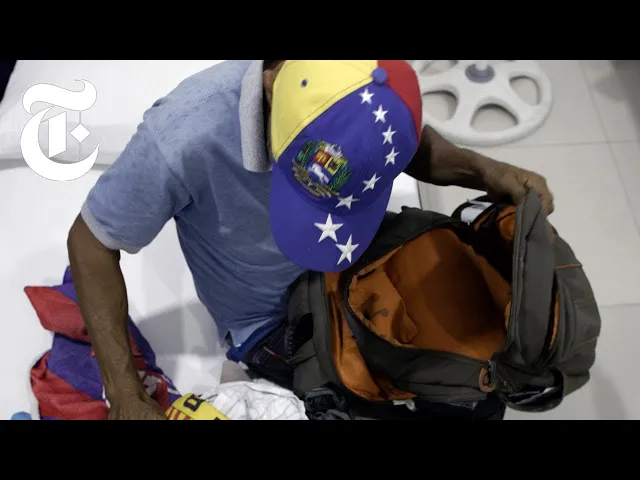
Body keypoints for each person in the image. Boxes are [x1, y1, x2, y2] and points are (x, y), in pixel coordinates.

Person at [67, 60, 554, 420]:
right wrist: (124, 393)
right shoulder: (183, 137)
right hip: (273, 318)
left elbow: (400, 143)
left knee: (484, 365)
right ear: (271, 92)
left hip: (365, 261)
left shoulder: (363, 79)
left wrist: (485, 171)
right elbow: (90, 243)